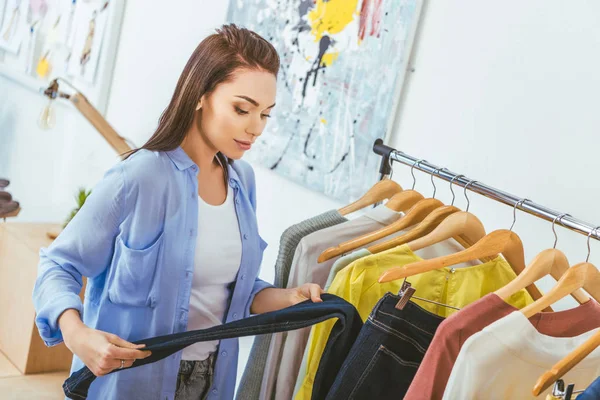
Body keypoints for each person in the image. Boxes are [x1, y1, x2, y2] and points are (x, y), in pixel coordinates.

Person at [32, 23, 324, 400]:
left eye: (265, 115)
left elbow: (230, 291)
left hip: (212, 382)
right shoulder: (140, 176)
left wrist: (289, 297)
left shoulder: (242, 183)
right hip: (130, 382)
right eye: (242, 109)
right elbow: (59, 265)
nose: (256, 128)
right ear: (201, 95)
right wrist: (77, 335)